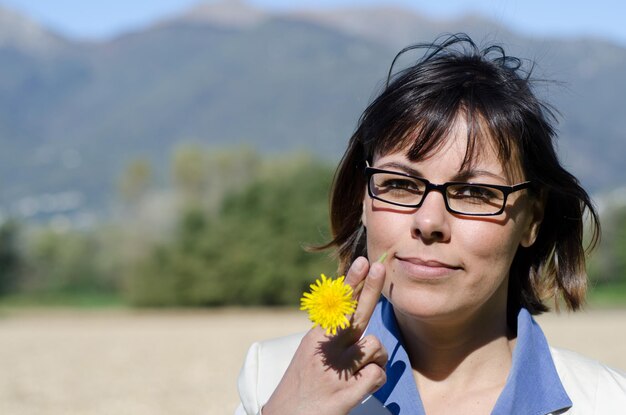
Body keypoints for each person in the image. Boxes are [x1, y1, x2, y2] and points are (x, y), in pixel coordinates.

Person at [235, 34, 626, 415]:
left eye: (475, 193)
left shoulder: (607, 403)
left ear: (532, 220)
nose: (428, 221)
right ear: (364, 201)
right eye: (400, 185)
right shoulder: (274, 378)